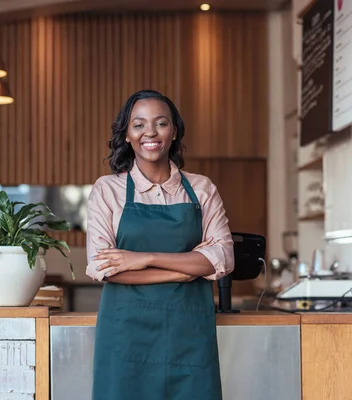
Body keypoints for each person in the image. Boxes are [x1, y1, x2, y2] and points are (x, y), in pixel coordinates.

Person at [86, 89, 234, 400]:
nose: (150, 133)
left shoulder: (202, 188)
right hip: (126, 337)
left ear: (174, 130)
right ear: (127, 134)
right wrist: (184, 269)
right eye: (138, 125)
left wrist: (142, 258)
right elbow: (105, 268)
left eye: (161, 123)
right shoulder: (107, 190)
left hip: (189, 336)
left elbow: (222, 258)